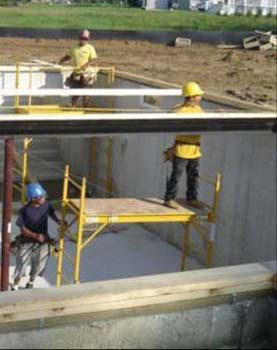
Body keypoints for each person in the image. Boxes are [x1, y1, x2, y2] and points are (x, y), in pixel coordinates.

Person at [11, 183, 62, 290]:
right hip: (27, 241)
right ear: (34, 199)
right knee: (21, 264)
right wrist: (35, 235)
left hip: (43, 241)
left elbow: (51, 213)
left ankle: (30, 283)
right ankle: (15, 286)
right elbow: (22, 229)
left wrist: (59, 221)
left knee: (39, 264)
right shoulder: (25, 211)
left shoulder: (46, 205)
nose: (44, 198)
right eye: (42, 196)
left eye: (44, 195)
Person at [164, 82, 205, 210]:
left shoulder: (198, 110)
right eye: (198, 95)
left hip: (195, 150)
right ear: (191, 96)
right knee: (176, 175)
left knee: (193, 176)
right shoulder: (179, 111)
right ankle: (169, 199)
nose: (200, 98)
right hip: (182, 149)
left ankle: (192, 198)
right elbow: (168, 116)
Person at [58, 29, 98, 108]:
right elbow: (68, 56)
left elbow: (94, 59)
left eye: (86, 39)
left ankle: (85, 111)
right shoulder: (74, 48)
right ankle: (73, 108)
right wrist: (60, 61)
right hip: (76, 74)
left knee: (86, 95)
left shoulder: (90, 48)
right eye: (83, 38)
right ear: (79, 38)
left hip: (86, 74)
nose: (84, 40)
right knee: (75, 94)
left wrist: (86, 65)